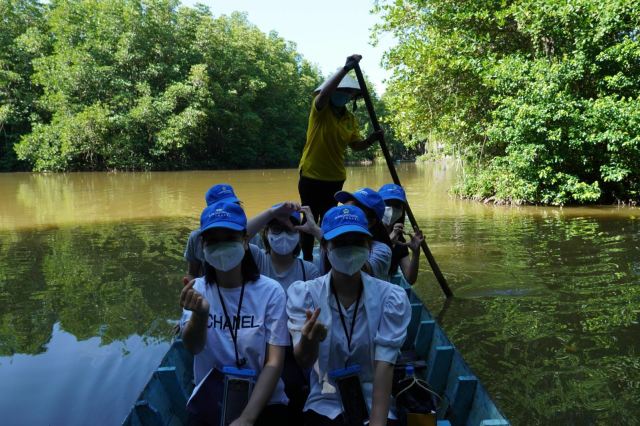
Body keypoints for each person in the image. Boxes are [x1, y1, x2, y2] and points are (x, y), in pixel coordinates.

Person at [286, 205, 411, 425]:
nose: (350, 249)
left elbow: (384, 368)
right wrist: (309, 340)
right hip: (324, 401)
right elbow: (304, 361)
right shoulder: (306, 295)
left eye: (357, 242)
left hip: (374, 402)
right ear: (325, 246)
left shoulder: (390, 298)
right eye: (341, 243)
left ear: (368, 247)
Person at [180, 201, 290, 425]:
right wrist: (200, 316)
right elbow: (193, 347)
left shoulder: (271, 292)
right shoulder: (198, 290)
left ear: (245, 241)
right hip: (212, 399)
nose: (221, 247)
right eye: (214, 241)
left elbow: (274, 362)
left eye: (229, 238)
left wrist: (247, 418)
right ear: (203, 246)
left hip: (265, 401)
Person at [298, 54, 383, 261]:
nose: (344, 95)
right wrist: (346, 69)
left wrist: (372, 139)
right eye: (341, 91)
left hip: (335, 177)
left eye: (348, 93)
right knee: (309, 218)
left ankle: (328, 257)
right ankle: (308, 259)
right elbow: (324, 94)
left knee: (328, 218)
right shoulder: (320, 110)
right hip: (311, 173)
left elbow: (355, 145)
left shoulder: (350, 118)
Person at [246, 203, 321, 424]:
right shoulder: (257, 260)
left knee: (296, 386)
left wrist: (316, 230)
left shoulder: (310, 270)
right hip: (261, 346)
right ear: (266, 234)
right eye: (276, 229)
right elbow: (238, 236)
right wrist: (270, 212)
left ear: (298, 235)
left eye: (290, 230)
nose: (283, 235)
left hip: (296, 349)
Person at [184, 184, 241, 282]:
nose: (228, 210)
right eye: (222, 206)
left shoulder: (248, 234)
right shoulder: (196, 237)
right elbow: (192, 272)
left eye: (233, 205)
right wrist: (192, 290)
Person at [332, 187, 393, 280]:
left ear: (371, 222)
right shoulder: (331, 238)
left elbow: (357, 272)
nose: (345, 212)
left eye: (353, 209)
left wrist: (322, 236)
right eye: (345, 206)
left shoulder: (382, 250)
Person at [379, 184, 424, 285]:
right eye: (388, 203)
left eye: (397, 205)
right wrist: (389, 241)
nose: (392, 208)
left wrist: (416, 253)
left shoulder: (400, 241)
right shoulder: (369, 234)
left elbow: (410, 279)